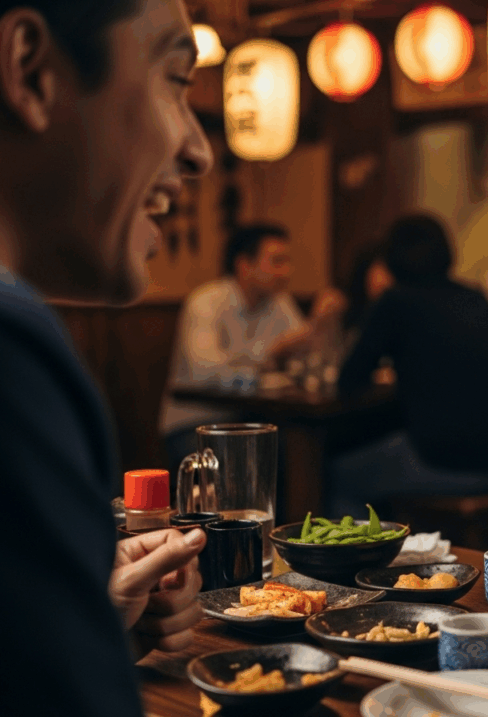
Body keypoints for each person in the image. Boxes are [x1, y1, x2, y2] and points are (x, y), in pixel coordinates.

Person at [0, 0, 214, 715]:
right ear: (31, 72)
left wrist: (80, 617)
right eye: (175, 81)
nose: (198, 149)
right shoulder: (13, 350)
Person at [327, 214, 488, 516]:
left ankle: (354, 562)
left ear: (390, 257)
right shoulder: (474, 298)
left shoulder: (395, 302)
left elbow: (349, 379)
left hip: (444, 461)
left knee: (338, 475)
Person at [160, 224, 345, 470]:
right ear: (244, 265)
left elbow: (308, 353)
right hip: (194, 423)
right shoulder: (206, 302)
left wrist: (321, 323)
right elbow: (204, 373)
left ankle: (288, 510)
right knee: (257, 459)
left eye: (287, 262)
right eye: (277, 262)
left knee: (291, 450)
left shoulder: (277, 302)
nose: (285, 272)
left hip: (246, 421)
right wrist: (271, 352)